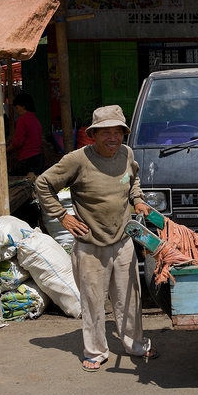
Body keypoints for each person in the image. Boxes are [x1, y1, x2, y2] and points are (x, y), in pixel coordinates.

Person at [34, 105, 159, 372]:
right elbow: (42, 184)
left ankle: (134, 344)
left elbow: (133, 179)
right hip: (90, 245)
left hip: (124, 239)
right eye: (106, 133)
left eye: (118, 132)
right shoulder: (77, 160)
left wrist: (137, 200)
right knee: (92, 300)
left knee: (129, 298)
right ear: (93, 134)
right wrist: (63, 216)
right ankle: (95, 350)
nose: (113, 138)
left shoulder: (126, 153)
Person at [6, 93, 44, 175]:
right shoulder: (35, 119)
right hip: (38, 158)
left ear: (23, 106)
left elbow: (18, 142)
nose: (17, 111)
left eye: (17, 108)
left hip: (27, 159)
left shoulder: (22, 120)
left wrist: (5, 150)